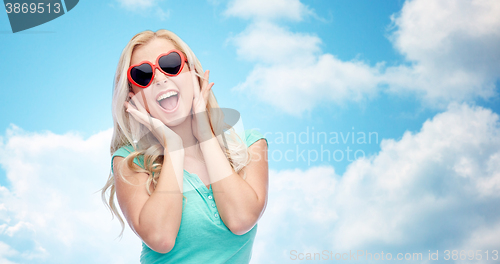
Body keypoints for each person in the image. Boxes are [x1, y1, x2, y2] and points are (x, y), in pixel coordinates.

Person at [100, 29, 269, 264]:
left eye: (170, 64)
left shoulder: (249, 144)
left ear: (193, 73)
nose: (159, 78)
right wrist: (174, 147)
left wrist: (206, 136)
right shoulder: (129, 162)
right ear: (133, 97)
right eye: (143, 74)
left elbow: (241, 219)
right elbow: (160, 237)